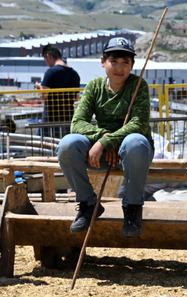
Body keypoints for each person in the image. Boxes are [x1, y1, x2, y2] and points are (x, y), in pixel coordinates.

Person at [56, 37, 153, 237]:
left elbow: (138, 123)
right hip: (100, 153)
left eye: (125, 62)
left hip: (133, 155)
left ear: (132, 65)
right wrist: (102, 138)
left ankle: (133, 207)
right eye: (114, 61)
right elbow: (77, 122)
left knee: (135, 142)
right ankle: (88, 203)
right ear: (103, 62)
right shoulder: (94, 86)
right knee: (68, 144)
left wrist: (107, 142)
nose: (119, 67)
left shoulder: (139, 86)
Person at [35, 45, 81, 137]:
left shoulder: (51, 72)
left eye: (45, 59)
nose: (46, 62)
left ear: (48, 55)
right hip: (68, 117)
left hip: (51, 119)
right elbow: (76, 98)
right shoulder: (74, 74)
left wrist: (39, 87)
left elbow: (44, 96)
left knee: (45, 145)